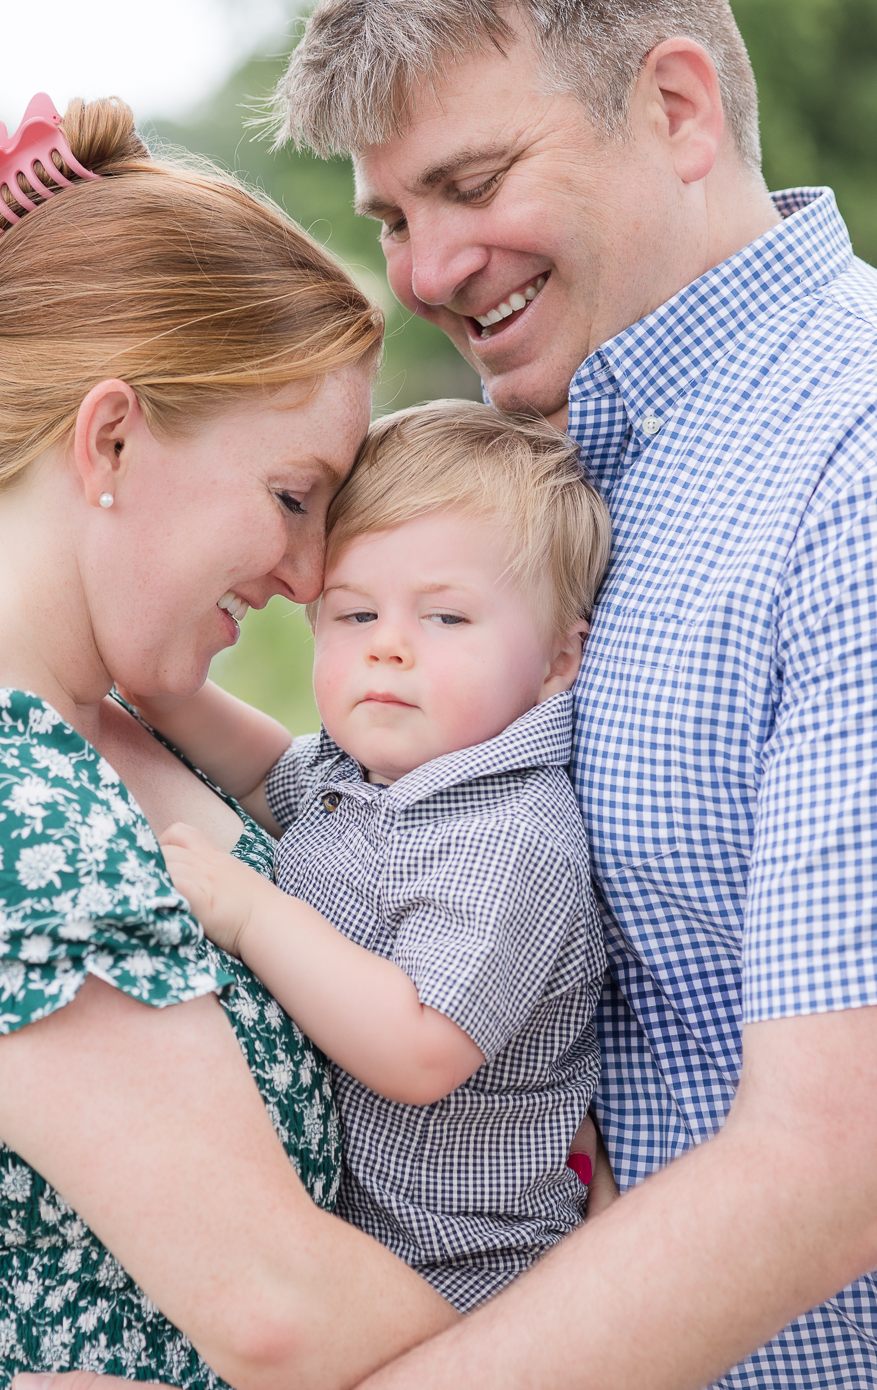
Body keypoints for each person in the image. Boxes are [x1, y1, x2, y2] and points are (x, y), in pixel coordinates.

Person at [0, 0, 877, 1390]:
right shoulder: (563, 482)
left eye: (471, 184)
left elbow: (837, 1172)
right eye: (393, 217)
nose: (426, 270)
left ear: (677, 103)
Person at [0, 95, 503, 1390]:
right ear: (109, 436)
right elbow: (273, 1303)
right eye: (295, 496)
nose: (312, 575)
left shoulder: (123, 728)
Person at [153, 400, 611, 1314]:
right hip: (354, 1247)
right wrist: (162, 690)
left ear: (558, 660)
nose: (389, 647)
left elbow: (419, 1046)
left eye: (446, 619)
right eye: (355, 613)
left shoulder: (510, 834)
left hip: (461, 1276)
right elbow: (260, 767)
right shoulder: (362, 771)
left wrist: (252, 914)